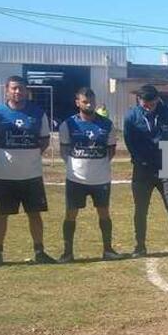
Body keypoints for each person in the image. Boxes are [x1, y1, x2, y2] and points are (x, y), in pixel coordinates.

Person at [0, 76, 56, 267]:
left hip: (31, 175)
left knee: (35, 214)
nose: (18, 92)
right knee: (1, 214)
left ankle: (40, 252)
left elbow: (44, 140)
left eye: (22, 89)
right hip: (4, 175)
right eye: (15, 88)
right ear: (6, 89)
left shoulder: (38, 113)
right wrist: (5, 155)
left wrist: (30, 155)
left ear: (27, 91)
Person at [58, 88, 124, 263]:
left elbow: (111, 151)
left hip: (100, 179)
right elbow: (64, 151)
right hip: (76, 179)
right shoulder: (67, 125)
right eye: (85, 102)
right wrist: (76, 165)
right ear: (77, 102)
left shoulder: (107, 125)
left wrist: (97, 165)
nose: (89, 105)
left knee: (104, 213)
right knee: (71, 214)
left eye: (92, 102)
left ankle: (108, 250)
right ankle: (67, 253)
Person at [123, 84, 168, 258]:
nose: (146, 106)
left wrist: (162, 151)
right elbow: (129, 140)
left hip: (165, 165)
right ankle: (140, 246)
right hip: (142, 169)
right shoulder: (131, 116)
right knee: (141, 209)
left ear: (157, 99)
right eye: (143, 102)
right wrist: (140, 158)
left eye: (150, 103)